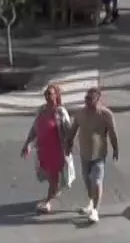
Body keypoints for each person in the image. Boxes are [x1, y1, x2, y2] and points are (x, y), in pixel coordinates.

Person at [20, 83, 75, 214]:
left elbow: (68, 129)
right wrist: (27, 144)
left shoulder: (61, 112)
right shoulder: (41, 110)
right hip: (44, 150)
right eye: (46, 93)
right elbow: (35, 129)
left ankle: (48, 201)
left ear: (56, 95)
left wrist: (69, 145)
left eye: (50, 93)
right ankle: (54, 191)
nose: (47, 96)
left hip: (57, 150)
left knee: (53, 177)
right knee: (51, 176)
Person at [73, 86, 119, 224]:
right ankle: (91, 203)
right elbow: (73, 129)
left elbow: (113, 133)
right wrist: (68, 144)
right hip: (84, 153)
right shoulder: (80, 113)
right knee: (87, 180)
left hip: (99, 154)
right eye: (86, 98)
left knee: (96, 181)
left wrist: (115, 148)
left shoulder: (106, 114)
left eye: (90, 99)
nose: (87, 101)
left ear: (97, 99)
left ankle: (95, 211)